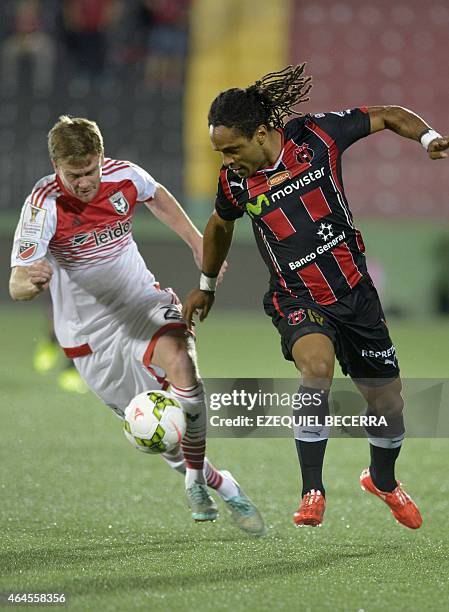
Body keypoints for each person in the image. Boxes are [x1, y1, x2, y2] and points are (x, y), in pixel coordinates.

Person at [183, 64, 449, 529]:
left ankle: (382, 481)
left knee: (388, 403)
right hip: (296, 297)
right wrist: (206, 285)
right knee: (317, 369)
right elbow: (220, 224)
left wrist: (428, 138)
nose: (226, 161)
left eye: (232, 149)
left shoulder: (317, 137)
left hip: (355, 293)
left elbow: (387, 115)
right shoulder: (236, 183)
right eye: (219, 153)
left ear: (262, 133)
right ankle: (312, 490)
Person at [9, 115, 265, 537]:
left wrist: (198, 243)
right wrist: (28, 283)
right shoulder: (44, 205)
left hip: (141, 304)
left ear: (101, 159)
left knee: (183, 368)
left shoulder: (122, 176)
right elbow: (17, 282)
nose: (85, 182)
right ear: (56, 168)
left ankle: (196, 478)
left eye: (90, 171)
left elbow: (158, 195)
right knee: (156, 431)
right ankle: (215, 480)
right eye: (74, 175)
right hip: (89, 337)